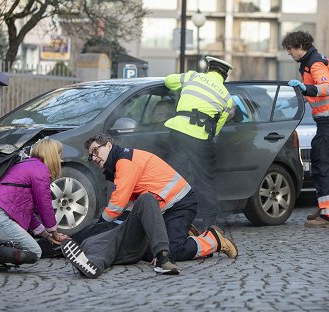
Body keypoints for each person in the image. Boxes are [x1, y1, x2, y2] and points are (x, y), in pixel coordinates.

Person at [60, 133, 238, 279]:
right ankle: (183, 232)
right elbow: (129, 206)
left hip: (180, 204)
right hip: (163, 208)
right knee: (147, 252)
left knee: (172, 250)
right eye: (90, 156)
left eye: (95, 151)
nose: (93, 157)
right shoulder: (118, 165)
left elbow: (117, 204)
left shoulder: (124, 162)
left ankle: (213, 240)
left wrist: (101, 225)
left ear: (108, 145)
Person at [282, 31, 329, 228]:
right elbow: (314, 93)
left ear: (300, 47)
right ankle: (325, 207)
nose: (289, 54)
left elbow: (325, 89)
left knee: (323, 164)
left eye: (290, 50)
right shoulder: (309, 62)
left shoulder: (315, 63)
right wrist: (290, 102)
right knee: (321, 161)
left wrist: (305, 89)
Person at [164, 56, 239, 229]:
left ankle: (172, 217)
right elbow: (217, 128)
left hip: (178, 133)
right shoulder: (227, 98)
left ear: (208, 68)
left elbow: (168, 81)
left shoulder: (192, 77)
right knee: (205, 181)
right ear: (224, 76)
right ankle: (209, 224)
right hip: (200, 138)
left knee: (175, 176)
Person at [0, 138, 69, 259]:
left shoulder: (25, 165)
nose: (61, 160)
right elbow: (45, 206)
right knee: (34, 251)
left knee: (28, 248)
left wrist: (47, 236)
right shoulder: (40, 169)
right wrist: (55, 233)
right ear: (52, 156)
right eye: (59, 155)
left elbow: (26, 212)